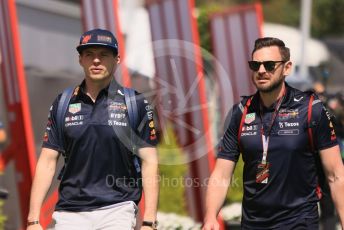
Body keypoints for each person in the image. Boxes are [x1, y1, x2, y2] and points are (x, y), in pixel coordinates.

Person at [202, 37, 344, 230]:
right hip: (253, 224)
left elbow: (335, 174)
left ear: (286, 68)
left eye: (269, 65)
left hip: (298, 222)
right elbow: (221, 174)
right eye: (255, 65)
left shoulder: (311, 109)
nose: (261, 71)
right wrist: (210, 217)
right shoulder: (241, 112)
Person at [26, 29, 159, 230]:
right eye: (89, 55)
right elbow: (47, 161)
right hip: (69, 213)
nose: (96, 61)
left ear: (117, 59)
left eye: (104, 55)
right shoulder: (63, 103)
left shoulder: (135, 103)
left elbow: (150, 160)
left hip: (118, 209)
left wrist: (149, 220)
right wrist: (33, 219)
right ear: (80, 60)